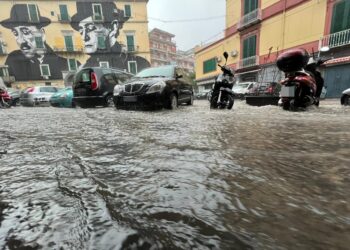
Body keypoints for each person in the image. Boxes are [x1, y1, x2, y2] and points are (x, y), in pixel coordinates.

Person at [70, 1, 150, 71]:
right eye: (81, 31)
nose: (84, 37)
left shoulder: (141, 63)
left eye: (90, 28)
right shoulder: (85, 68)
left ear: (114, 27)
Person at [0, 4, 70, 81]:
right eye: (15, 33)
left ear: (42, 34)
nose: (20, 40)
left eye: (26, 31)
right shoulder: (12, 60)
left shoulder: (64, 63)